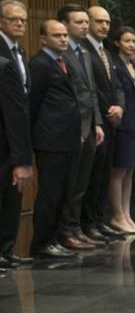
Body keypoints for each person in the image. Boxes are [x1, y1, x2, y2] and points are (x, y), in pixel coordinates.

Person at [28, 19, 102, 258]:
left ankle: (56, 237)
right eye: (56, 35)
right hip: (51, 140)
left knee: (65, 192)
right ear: (43, 39)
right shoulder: (40, 63)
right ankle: (42, 242)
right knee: (50, 194)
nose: (62, 39)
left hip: (69, 138)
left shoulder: (63, 62)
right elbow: (34, 104)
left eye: (63, 35)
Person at [55, 5, 103, 249]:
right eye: (78, 22)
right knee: (70, 183)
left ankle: (76, 227)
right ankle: (65, 230)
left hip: (89, 126)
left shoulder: (84, 52)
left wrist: (97, 122)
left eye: (86, 22)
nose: (85, 26)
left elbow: (91, 91)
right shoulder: (61, 54)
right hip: (72, 129)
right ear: (64, 24)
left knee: (82, 183)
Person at [80, 5, 124, 239]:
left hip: (111, 122)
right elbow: (90, 90)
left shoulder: (106, 52)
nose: (104, 26)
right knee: (89, 176)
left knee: (103, 174)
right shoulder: (82, 50)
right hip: (94, 121)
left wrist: (120, 106)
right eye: (99, 21)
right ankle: (87, 223)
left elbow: (116, 85)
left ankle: (98, 219)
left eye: (107, 22)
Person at [107, 26, 135, 234]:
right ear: (117, 43)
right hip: (122, 126)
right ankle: (117, 215)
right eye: (127, 41)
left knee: (129, 172)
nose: (131, 45)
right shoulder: (115, 65)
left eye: (134, 41)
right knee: (119, 171)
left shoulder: (133, 65)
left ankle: (127, 214)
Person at [0, 0, 30, 266]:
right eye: (13, 19)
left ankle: (6, 250)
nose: (19, 23)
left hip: (15, 139)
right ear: (1, 21)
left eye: (23, 20)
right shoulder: (2, 58)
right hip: (5, 138)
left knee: (12, 197)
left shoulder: (19, 51)